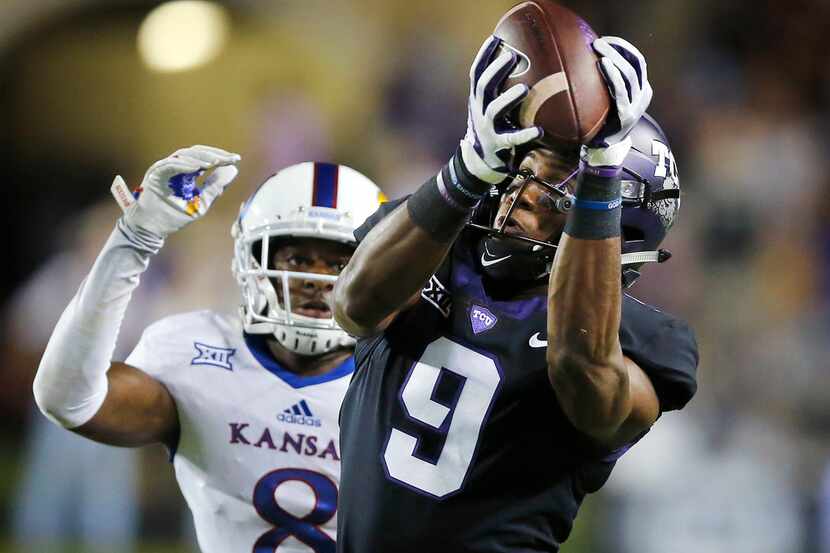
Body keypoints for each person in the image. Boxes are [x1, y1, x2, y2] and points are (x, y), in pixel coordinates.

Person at [334, 34, 698, 552]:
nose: (515, 202)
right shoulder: (436, 251)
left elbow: (583, 372)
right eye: (518, 178)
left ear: (620, 229)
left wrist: (600, 177)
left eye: (549, 196)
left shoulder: (645, 341)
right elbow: (355, 305)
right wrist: (469, 169)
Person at [33, 146, 385, 553]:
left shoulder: (408, 375)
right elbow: (68, 400)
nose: (314, 279)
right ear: (253, 259)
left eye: (338, 264)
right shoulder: (195, 349)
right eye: (298, 258)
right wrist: (135, 238)